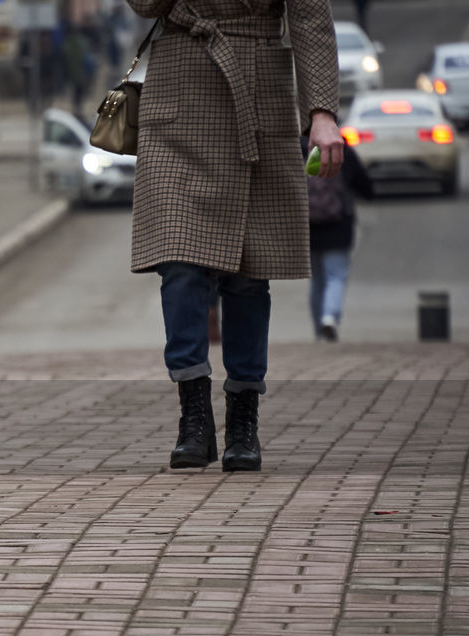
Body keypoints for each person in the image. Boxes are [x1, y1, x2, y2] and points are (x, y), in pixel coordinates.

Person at [128, 0, 342, 472]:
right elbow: (144, 6)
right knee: (179, 263)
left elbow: (309, 17)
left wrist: (322, 112)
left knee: (249, 273)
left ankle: (244, 418)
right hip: (179, 92)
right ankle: (194, 414)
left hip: (257, 85)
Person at [303, 135, 372, 342]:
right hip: (338, 223)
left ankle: (319, 331)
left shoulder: (299, 147)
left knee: (317, 280)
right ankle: (329, 318)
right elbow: (362, 182)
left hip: (309, 224)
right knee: (336, 275)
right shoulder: (338, 147)